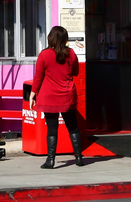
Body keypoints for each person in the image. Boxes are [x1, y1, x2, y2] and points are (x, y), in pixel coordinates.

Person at [29, 26, 84, 169]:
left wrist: (32, 93)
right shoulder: (71, 54)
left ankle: (50, 160)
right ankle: (78, 157)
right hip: (67, 95)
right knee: (73, 127)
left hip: (49, 96)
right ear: (65, 39)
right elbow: (76, 72)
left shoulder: (44, 54)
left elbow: (38, 78)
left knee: (52, 129)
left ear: (50, 38)